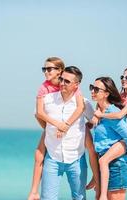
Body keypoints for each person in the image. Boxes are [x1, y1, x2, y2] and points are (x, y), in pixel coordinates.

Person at [28, 58, 99, 200]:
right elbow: (38, 114)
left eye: (67, 81)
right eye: (61, 79)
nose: (62, 83)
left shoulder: (84, 103)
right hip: (52, 159)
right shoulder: (47, 99)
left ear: (76, 85)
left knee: (79, 197)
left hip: (77, 160)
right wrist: (49, 128)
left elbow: (96, 121)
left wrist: (86, 128)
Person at [87, 68, 127, 200]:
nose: (123, 80)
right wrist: (94, 118)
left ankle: (102, 193)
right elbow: (106, 102)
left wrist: (101, 115)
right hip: (120, 142)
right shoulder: (123, 95)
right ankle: (95, 178)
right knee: (101, 157)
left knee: (103, 160)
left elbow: (119, 115)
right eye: (122, 77)